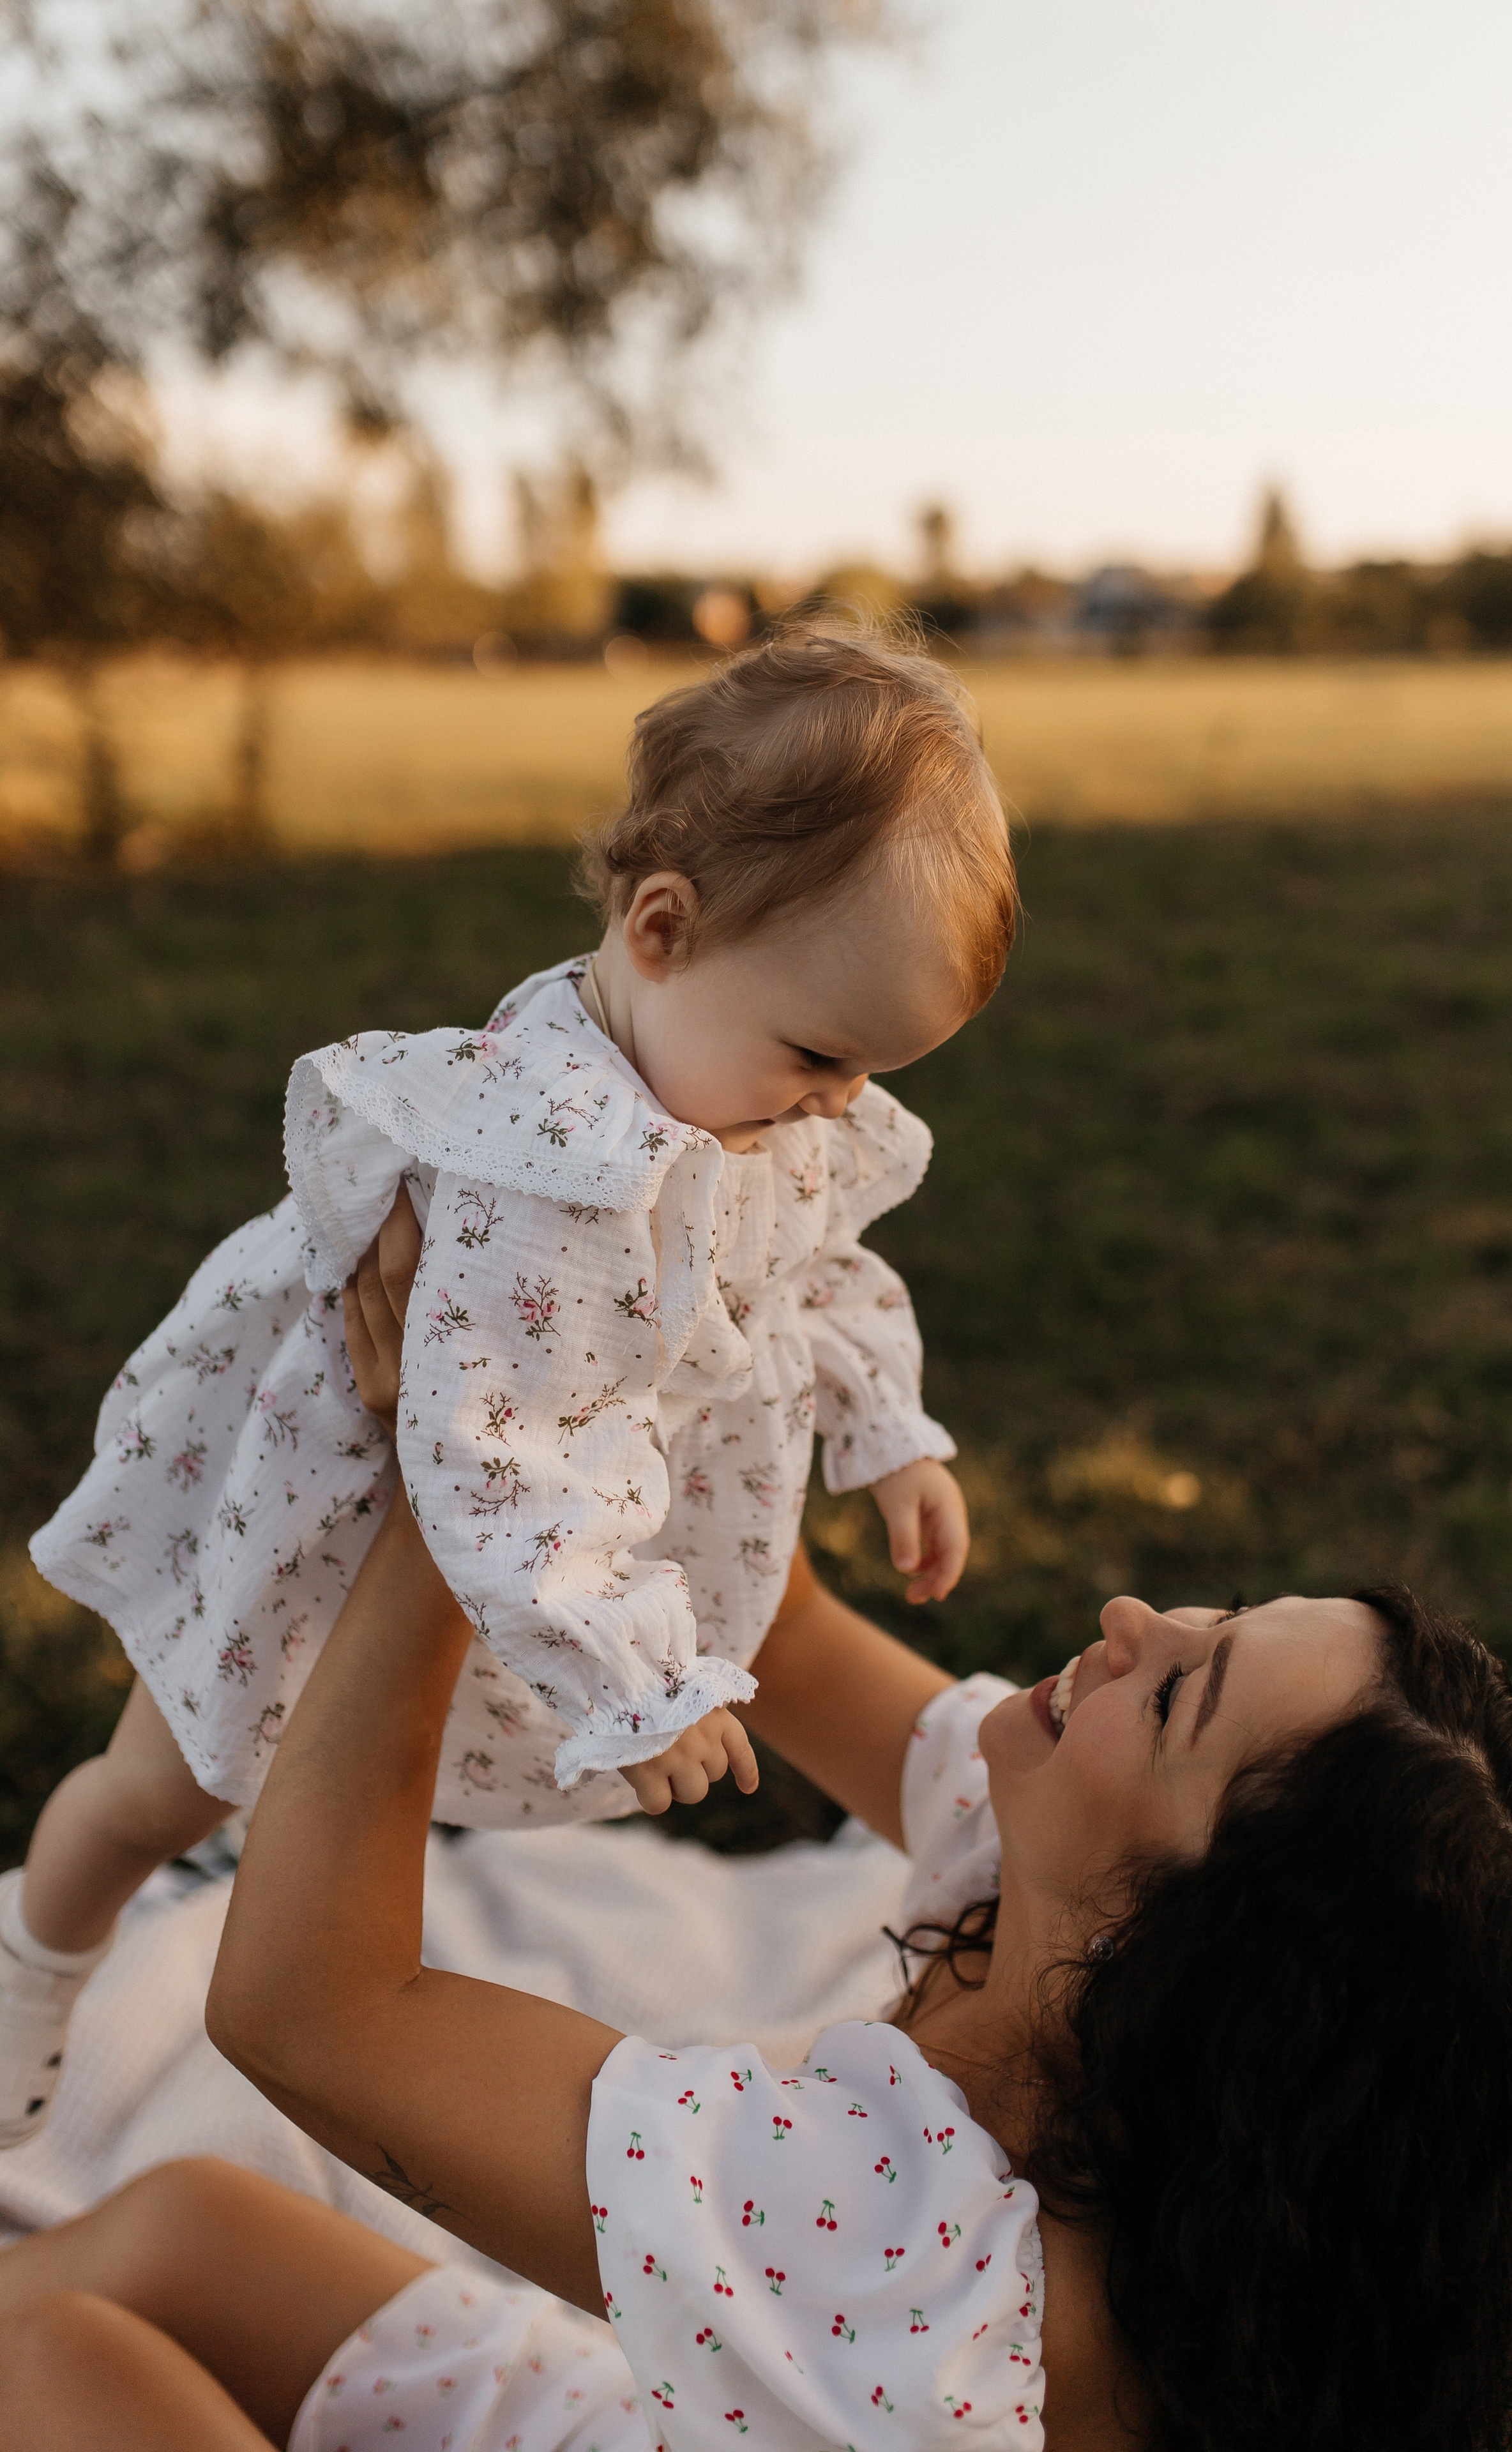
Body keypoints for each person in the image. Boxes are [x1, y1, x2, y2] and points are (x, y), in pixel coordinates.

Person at [0, 1218, 1512, 2451]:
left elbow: (305, 2006)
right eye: (1220, 1613)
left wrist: (456, 1489)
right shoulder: (1082, 1926)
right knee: (185, 2227)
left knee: (52, 2367)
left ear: (1182, 1946)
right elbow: (772, 1624)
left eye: (1183, 1693)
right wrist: (627, 1302)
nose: (1134, 1615)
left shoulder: (911, 2269)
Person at [7, 624, 1017, 2148]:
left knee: (329, 1787)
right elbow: (493, 1451)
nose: (834, 1105)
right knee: (171, 1780)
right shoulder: (543, 1174)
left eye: (870, 1074)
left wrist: (887, 1435)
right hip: (365, 1511)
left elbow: (816, 1265)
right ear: (660, 929)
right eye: (819, 1054)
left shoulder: (738, 1088)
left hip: (542, 1502)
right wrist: (628, 1672)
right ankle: (37, 1949)